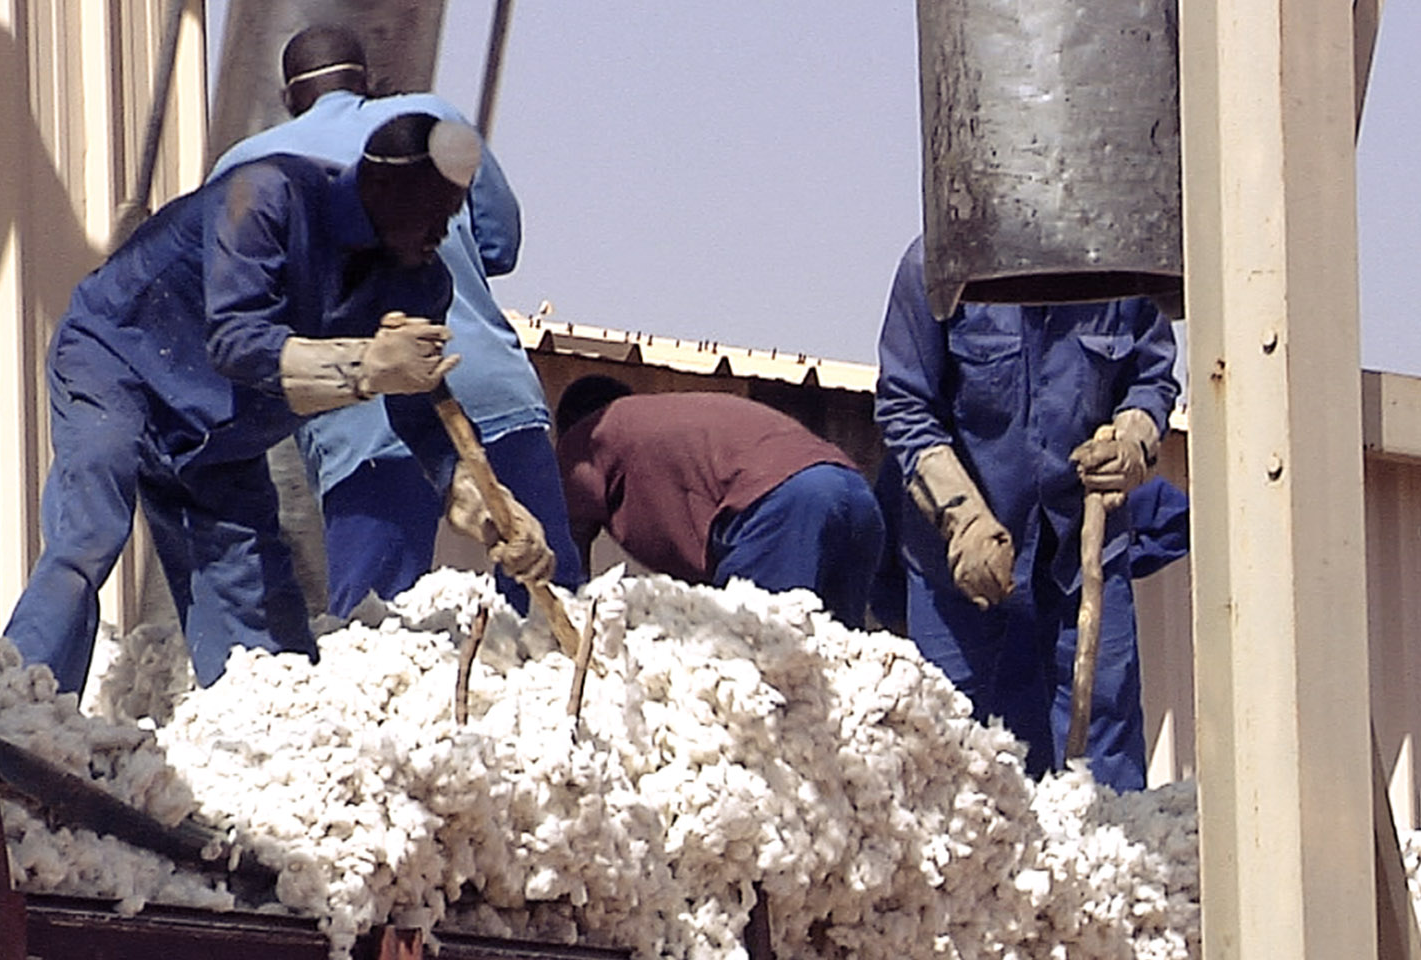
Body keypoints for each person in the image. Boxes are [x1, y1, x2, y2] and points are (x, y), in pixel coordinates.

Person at [3, 113, 552, 695]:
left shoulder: (419, 284)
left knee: (262, 640)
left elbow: (421, 409)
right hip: (118, 361)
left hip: (221, 435)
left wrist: (481, 501)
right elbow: (238, 343)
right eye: (433, 210)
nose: (442, 231)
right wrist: (366, 366)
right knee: (89, 533)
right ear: (382, 186)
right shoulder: (268, 197)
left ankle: (263, 748)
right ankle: (20, 704)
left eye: (452, 214)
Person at [207, 25, 582, 618]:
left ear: (288, 99)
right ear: (371, 84)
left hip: (360, 420)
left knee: (370, 632)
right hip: (486, 386)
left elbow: (243, 312)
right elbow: (500, 245)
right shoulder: (434, 120)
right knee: (545, 599)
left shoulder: (247, 165)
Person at [875, 236, 1179, 791]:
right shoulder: (938, 265)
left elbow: (1151, 377)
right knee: (951, 746)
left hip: (1082, 553)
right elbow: (904, 405)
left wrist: (1135, 433)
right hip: (959, 566)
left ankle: (1108, 871)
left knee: (1102, 738)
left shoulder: (1117, 266)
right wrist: (960, 517)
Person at [553, 375, 884, 630]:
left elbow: (561, 550)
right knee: (835, 675)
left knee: (760, 667)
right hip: (855, 494)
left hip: (782, 508)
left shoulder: (591, 434)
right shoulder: (668, 418)